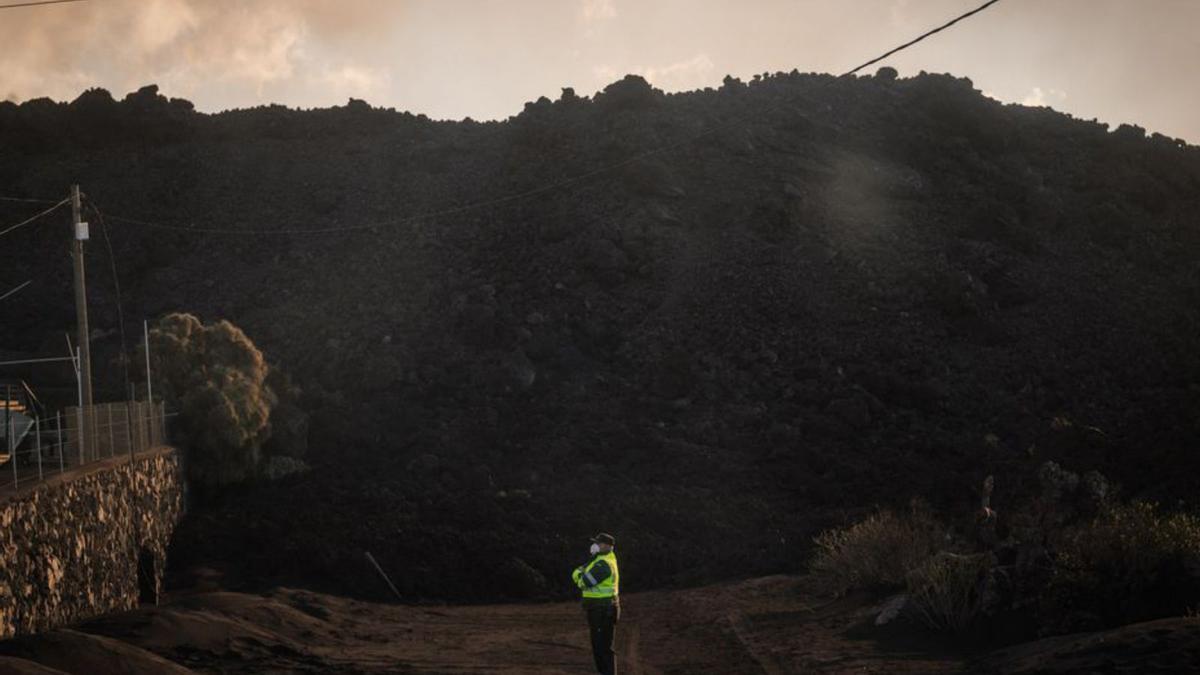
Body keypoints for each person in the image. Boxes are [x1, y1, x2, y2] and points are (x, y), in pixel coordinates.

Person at [572, 532, 620, 675]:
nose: (595, 545)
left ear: (606, 546)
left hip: (602, 610)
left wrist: (580, 575)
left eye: (598, 543)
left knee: (602, 648)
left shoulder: (603, 564)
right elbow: (580, 573)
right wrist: (581, 573)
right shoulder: (601, 559)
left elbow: (583, 581)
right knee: (600, 647)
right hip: (601, 609)